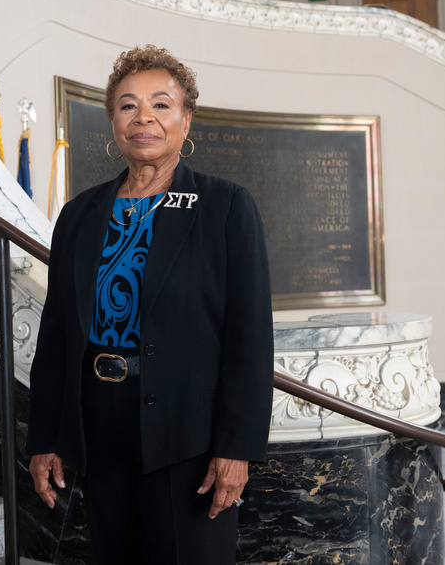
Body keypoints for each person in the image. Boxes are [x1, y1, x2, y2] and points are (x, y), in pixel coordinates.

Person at [26, 45, 275, 565]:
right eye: (127, 105)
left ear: (186, 120)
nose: (144, 118)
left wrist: (238, 448)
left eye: (161, 104)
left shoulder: (224, 206)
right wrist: (47, 436)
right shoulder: (79, 214)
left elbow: (249, 339)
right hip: (97, 428)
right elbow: (57, 335)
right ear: (112, 122)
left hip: (189, 435)